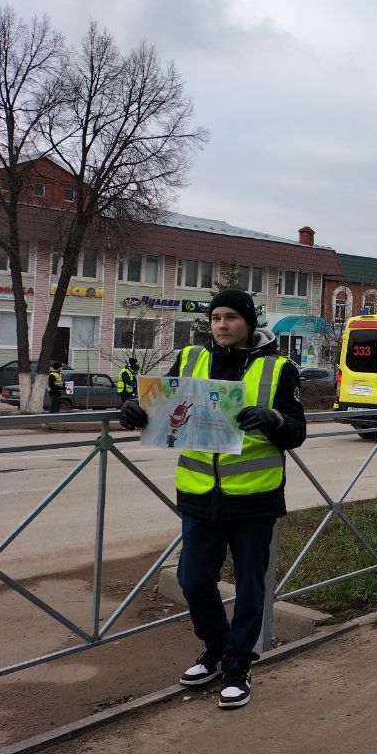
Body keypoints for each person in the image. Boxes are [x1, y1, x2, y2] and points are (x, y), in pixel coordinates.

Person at [117, 290, 306, 710]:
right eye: (216, 317)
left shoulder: (278, 368)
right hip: (199, 495)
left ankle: (238, 667)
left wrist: (274, 420)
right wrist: (134, 409)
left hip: (254, 498)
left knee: (250, 587)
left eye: (231, 318)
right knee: (194, 580)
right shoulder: (189, 360)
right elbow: (160, 408)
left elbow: (296, 430)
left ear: (249, 321)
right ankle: (217, 649)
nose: (221, 325)